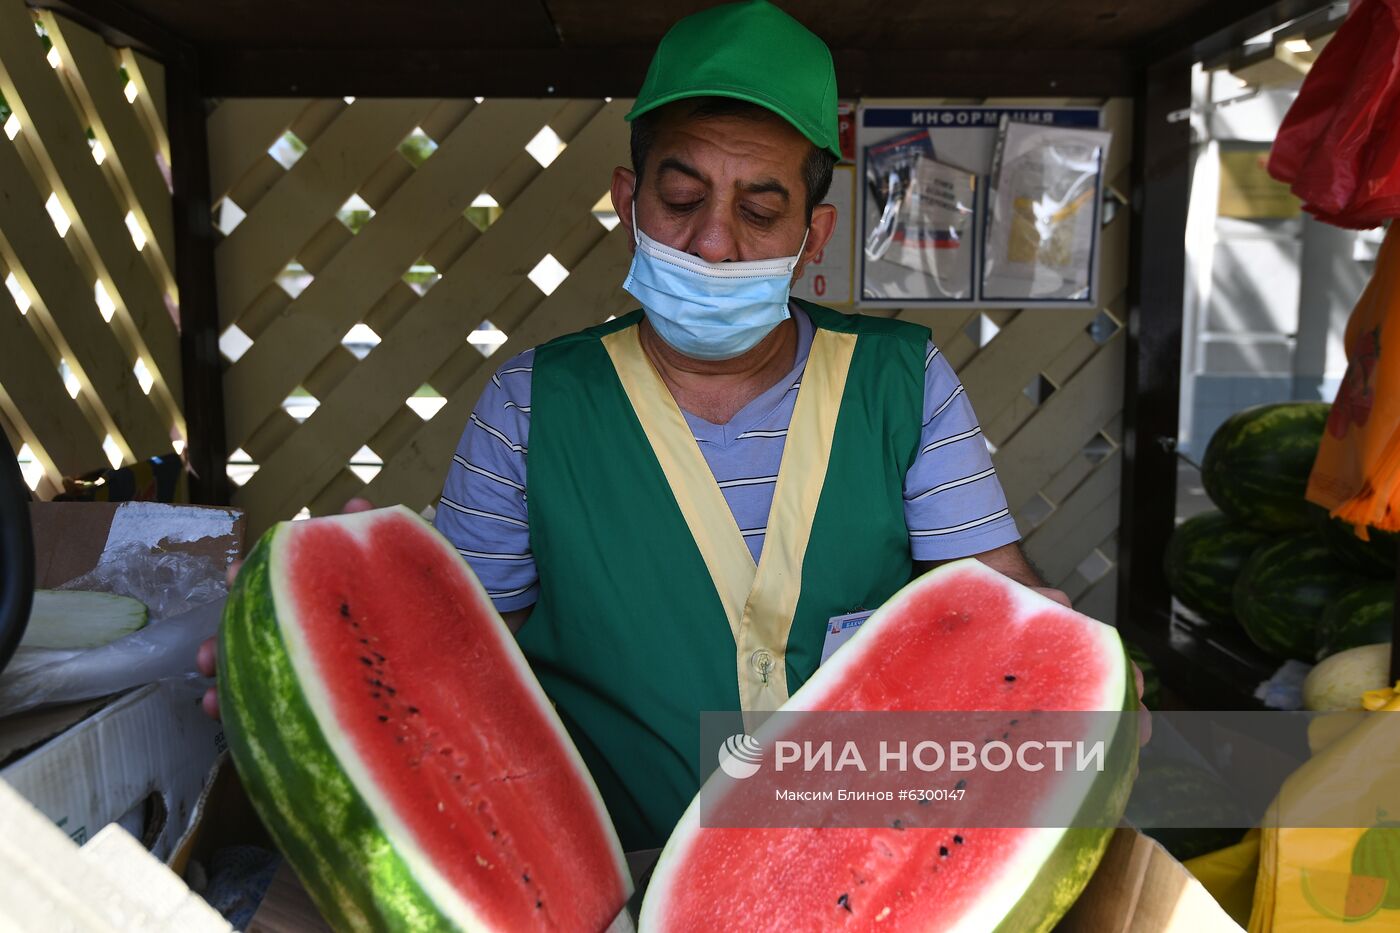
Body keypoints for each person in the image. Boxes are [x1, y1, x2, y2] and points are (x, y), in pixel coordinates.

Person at [200, 0, 1146, 853]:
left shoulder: (901, 382)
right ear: (629, 202)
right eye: (682, 199)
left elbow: (995, 601)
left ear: (812, 239)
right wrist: (308, 654)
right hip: (600, 862)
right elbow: (459, 658)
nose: (713, 241)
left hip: (868, 854)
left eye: (761, 209)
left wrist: (1076, 681)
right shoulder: (535, 403)